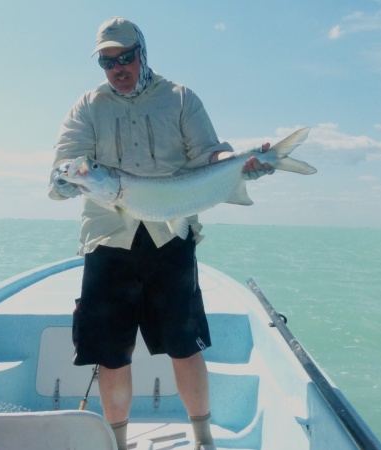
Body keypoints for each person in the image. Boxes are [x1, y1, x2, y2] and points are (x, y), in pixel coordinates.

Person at [48, 17, 272, 450]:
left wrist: (236, 162)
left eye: (125, 57)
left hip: (171, 236)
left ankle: (204, 440)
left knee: (184, 346)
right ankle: (117, 444)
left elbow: (210, 153)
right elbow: (65, 164)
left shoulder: (180, 98)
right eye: (107, 61)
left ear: (142, 53)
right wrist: (62, 177)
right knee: (111, 354)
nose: (118, 68)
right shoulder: (87, 107)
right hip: (108, 239)